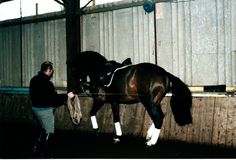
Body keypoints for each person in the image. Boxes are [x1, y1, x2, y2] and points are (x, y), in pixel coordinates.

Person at [29, 61, 75, 157]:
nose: (52, 72)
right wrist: (67, 96)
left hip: (35, 109)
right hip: (45, 111)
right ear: (49, 70)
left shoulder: (33, 80)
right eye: (51, 71)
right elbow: (54, 99)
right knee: (49, 131)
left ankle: (36, 147)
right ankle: (43, 154)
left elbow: (39, 95)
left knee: (44, 129)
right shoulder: (48, 84)